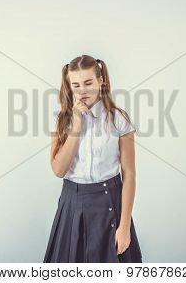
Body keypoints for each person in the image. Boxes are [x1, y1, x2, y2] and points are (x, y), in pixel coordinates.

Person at [43, 54, 143, 262]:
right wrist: (77, 126)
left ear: (101, 80)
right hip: (72, 203)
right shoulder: (62, 120)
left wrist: (124, 227)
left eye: (88, 82)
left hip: (110, 202)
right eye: (76, 85)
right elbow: (58, 170)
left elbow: (130, 175)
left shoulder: (119, 120)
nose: (82, 90)